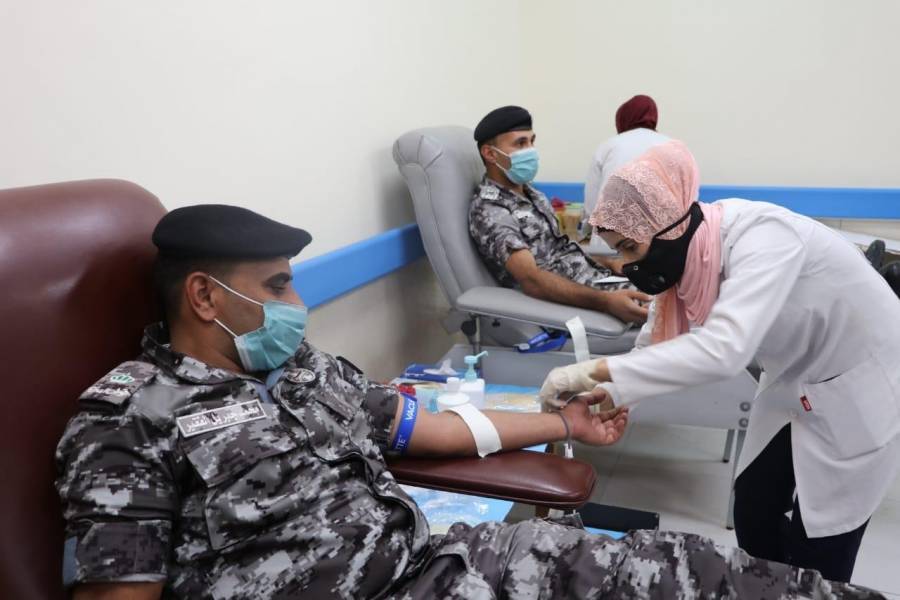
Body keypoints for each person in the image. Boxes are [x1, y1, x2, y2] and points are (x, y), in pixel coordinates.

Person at [54, 204, 883, 600]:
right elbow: (121, 593)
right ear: (204, 296)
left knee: (692, 572)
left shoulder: (302, 369)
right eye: (276, 288)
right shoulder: (129, 418)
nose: (295, 306)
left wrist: (563, 420)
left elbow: (426, 427)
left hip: (436, 565)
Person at [540, 140, 900, 585]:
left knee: (822, 544)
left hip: (858, 382)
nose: (629, 265)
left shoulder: (764, 237)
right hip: (794, 376)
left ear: (667, 224)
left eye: (631, 247)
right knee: (753, 507)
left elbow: (725, 349)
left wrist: (594, 370)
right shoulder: (688, 258)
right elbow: (654, 340)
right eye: (620, 251)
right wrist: (610, 394)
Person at [468, 105, 650, 324]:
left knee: (673, 285)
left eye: (532, 141)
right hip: (571, 305)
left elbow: (558, 253)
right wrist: (606, 301)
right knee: (668, 307)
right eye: (520, 143)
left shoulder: (531, 194)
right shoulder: (490, 210)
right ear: (490, 154)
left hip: (595, 282)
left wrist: (607, 263)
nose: (530, 150)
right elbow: (532, 280)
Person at [583, 95, 670, 246]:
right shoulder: (672, 146)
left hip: (609, 244)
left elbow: (591, 205)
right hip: (661, 245)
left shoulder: (608, 146)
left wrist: (586, 230)